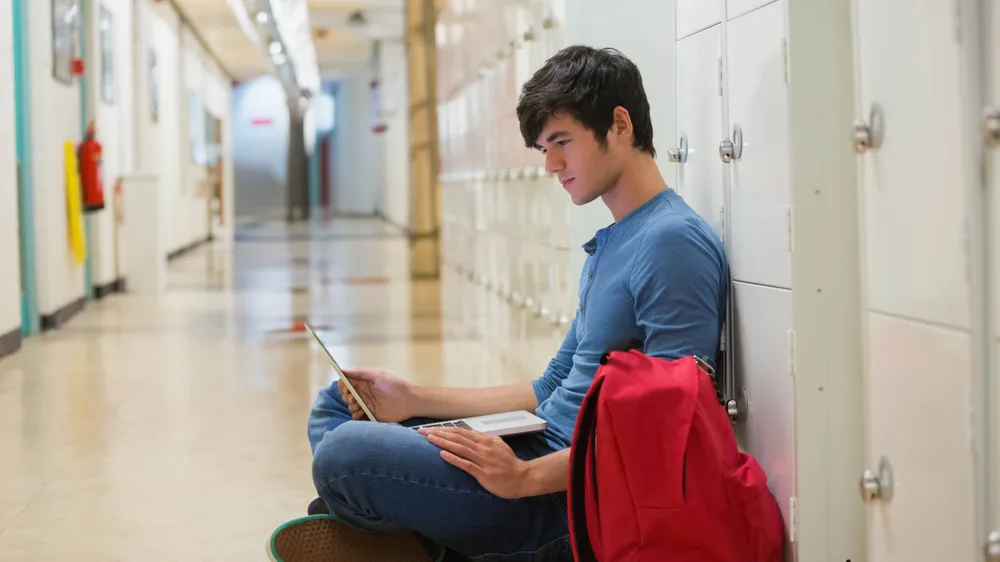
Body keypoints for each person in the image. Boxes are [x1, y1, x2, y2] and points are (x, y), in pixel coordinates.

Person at [267, 45, 729, 562]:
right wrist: (413, 399)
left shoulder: (672, 242)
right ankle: (417, 536)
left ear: (620, 125)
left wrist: (524, 477)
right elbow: (549, 387)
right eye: (543, 149)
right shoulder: (619, 239)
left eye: (562, 142)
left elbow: (671, 431)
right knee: (341, 404)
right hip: (529, 446)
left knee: (345, 454)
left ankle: (430, 542)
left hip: (559, 500)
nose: (552, 165)